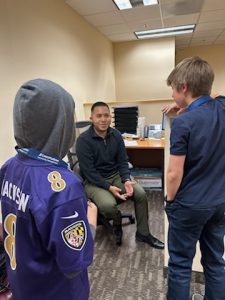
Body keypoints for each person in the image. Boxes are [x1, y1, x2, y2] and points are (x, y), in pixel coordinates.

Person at [0, 79, 97, 300]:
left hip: (23, 286)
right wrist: (91, 222)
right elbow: (73, 263)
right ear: (59, 126)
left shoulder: (9, 166)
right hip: (55, 292)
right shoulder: (64, 188)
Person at [165, 56, 225, 300]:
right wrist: (194, 103)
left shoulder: (183, 122)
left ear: (184, 87)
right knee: (215, 262)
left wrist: (170, 201)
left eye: (172, 89)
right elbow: (217, 95)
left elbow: (174, 173)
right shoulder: (222, 107)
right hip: (219, 203)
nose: (171, 96)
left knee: (180, 266)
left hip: (189, 205)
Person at [76, 101, 164, 249]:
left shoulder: (116, 134)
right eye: (99, 116)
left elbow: (123, 161)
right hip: (93, 181)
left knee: (140, 194)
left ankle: (143, 233)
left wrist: (126, 179)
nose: (103, 119)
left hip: (115, 175)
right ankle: (117, 223)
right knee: (108, 206)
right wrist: (109, 187)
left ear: (110, 117)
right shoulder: (83, 141)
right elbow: (89, 172)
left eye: (106, 115)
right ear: (91, 118)